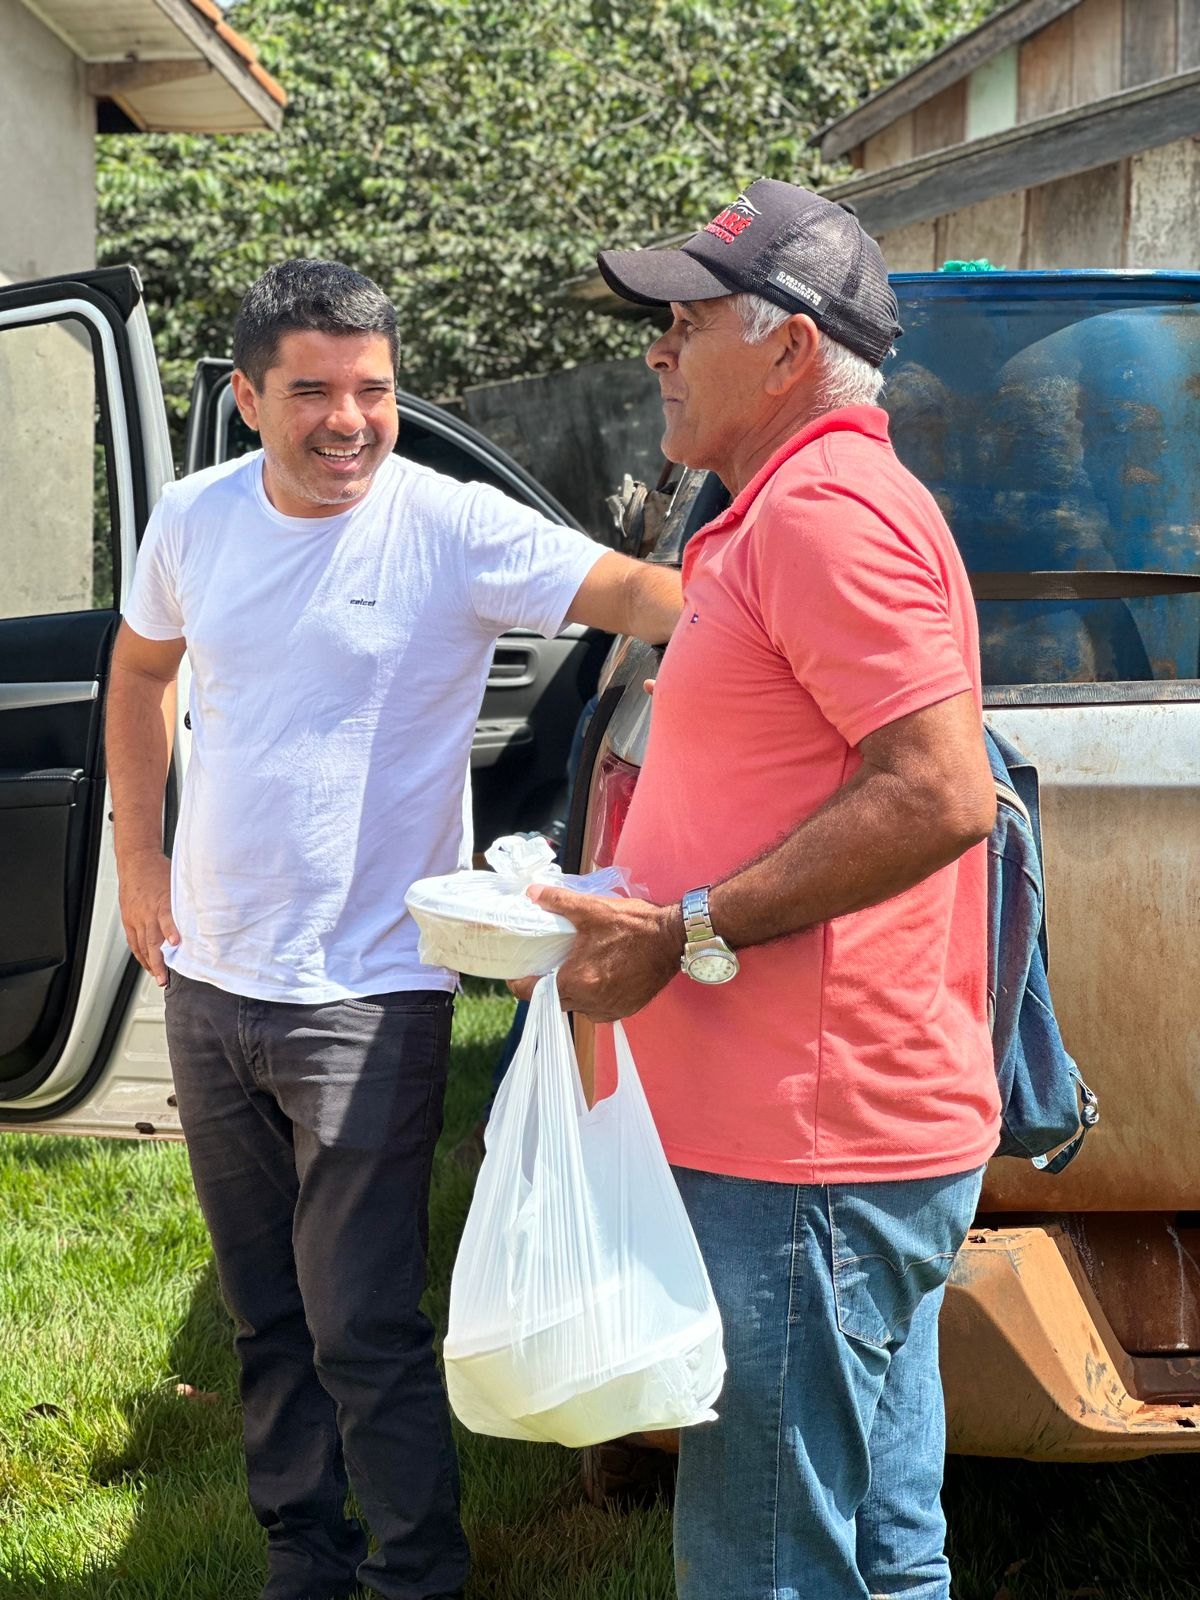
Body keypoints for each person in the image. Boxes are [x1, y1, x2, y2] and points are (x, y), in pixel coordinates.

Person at [106, 258, 682, 1600]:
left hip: (370, 992)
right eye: (313, 392)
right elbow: (139, 670)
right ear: (248, 398)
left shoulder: (449, 524)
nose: (350, 420)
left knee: (361, 1321)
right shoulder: (192, 519)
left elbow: (650, 599)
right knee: (265, 1317)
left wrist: (802, 585)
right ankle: (304, 1561)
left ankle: (418, 1573)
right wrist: (140, 861)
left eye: (373, 389)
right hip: (211, 978)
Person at [510, 180, 1001, 1600]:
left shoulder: (825, 514)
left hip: (807, 1156)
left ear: (788, 347)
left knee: (766, 1567)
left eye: (688, 320)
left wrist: (683, 930)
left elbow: (940, 791)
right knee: (883, 1555)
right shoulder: (785, 508)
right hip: (830, 1143)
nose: (657, 349)